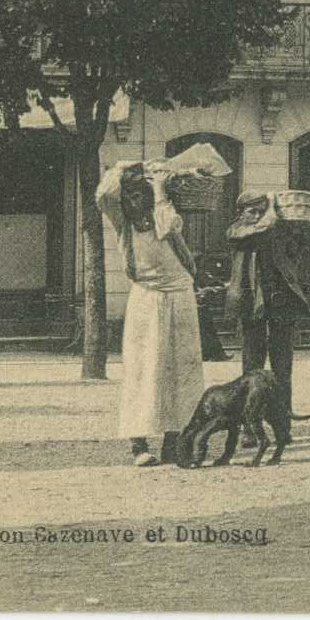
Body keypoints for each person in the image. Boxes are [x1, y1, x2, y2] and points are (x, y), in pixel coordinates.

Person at [95, 163, 205, 467]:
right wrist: (130, 169)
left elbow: (168, 225)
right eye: (128, 197)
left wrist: (158, 189)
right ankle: (138, 443)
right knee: (143, 369)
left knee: (181, 369)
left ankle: (175, 440)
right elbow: (104, 195)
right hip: (146, 298)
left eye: (139, 196)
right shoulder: (123, 225)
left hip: (180, 296)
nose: (133, 202)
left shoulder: (164, 215)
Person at [227, 193, 310, 421]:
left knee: (283, 364)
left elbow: (301, 249)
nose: (256, 216)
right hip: (250, 303)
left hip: (281, 303)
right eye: (251, 211)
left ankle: (283, 415)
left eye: (260, 211)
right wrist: (271, 212)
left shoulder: (276, 231)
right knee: (253, 365)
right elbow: (260, 230)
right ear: (240, 214)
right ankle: (249, 421)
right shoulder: (236, 231)